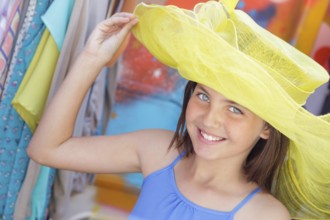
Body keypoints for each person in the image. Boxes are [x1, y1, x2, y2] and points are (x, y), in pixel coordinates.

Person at [28, 1, 330, 220]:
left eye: (236, 110)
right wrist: (92, 58)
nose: (210, 119)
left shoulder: (263, 215)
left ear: (267, 127)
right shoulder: (160, 152)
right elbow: (47, 149)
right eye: (203, 95)